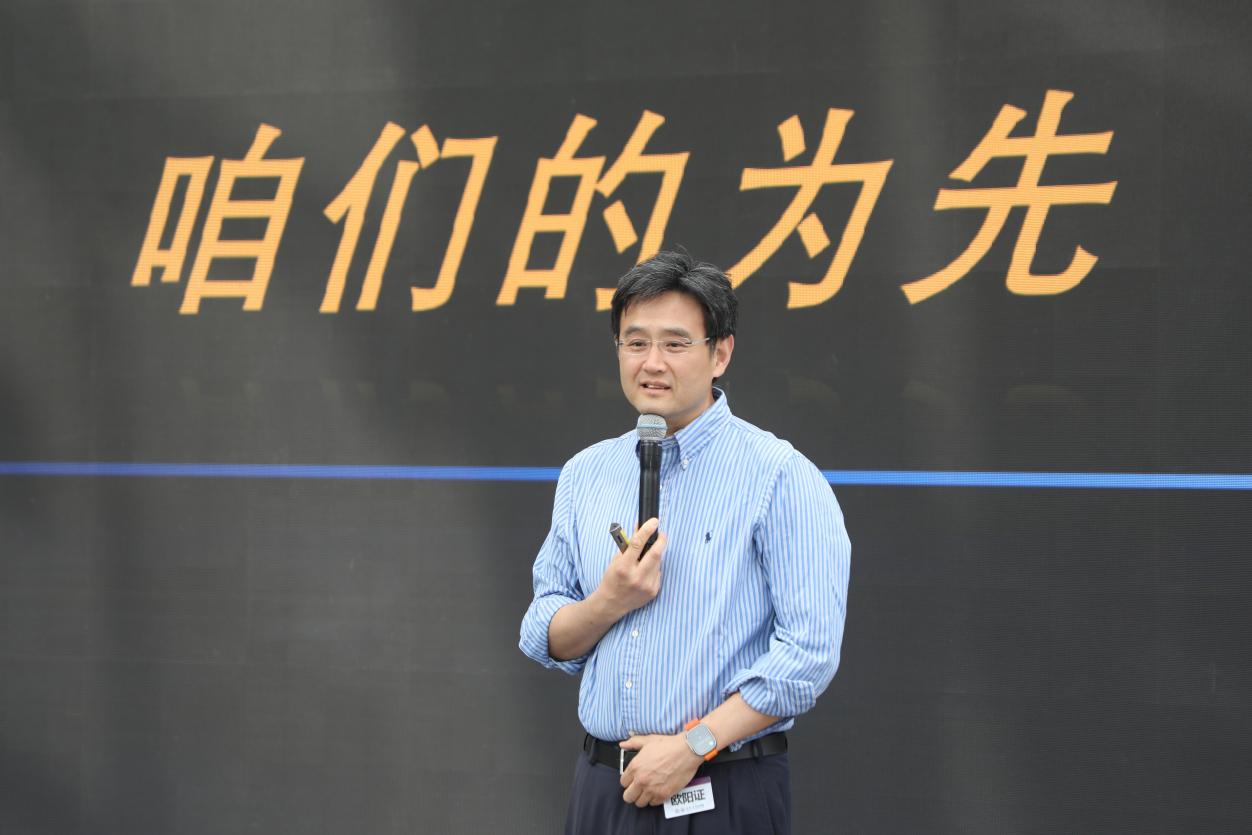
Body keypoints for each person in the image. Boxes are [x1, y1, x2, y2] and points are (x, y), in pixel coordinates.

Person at [519, 251, 851, 834]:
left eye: (675, 344)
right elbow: (543, 634)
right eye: (635, 342)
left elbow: (808, 656)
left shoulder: (777, 474)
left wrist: (694, 745)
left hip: (721, 786)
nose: (652, 363)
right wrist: (608, 602)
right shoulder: (585, 473)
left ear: (720, 353)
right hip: (603, 784)